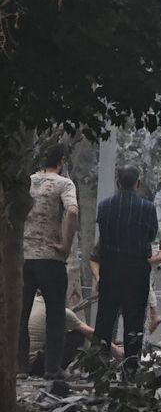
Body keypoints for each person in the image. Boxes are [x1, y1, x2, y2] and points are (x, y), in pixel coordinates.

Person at [92, 166, 161, 370]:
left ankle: (97, 367)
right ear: (137, 184)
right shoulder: (147, 208)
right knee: (134, 321)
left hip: (110, 268)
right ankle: (131, 369)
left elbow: (103, 235)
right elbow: (151, 235)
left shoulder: (104, 206)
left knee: (105, 319)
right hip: (136, 270)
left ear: (118, 183)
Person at [19, 144, 79, 379]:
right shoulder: (64, 183)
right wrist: (65, 245)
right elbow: (72, 211)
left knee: (21, 315)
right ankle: (52, 370)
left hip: (24, 257)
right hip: (51, 258)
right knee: (55, 315)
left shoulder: (28, 182)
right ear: (61, 161)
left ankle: (20, 369)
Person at [26, 295, 117, 376]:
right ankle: (55, 370)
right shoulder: (61, 311)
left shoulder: (30, 305)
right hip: (38, 365)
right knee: (77, 336)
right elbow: (90, 333)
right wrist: (117, 352)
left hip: (22, 365)